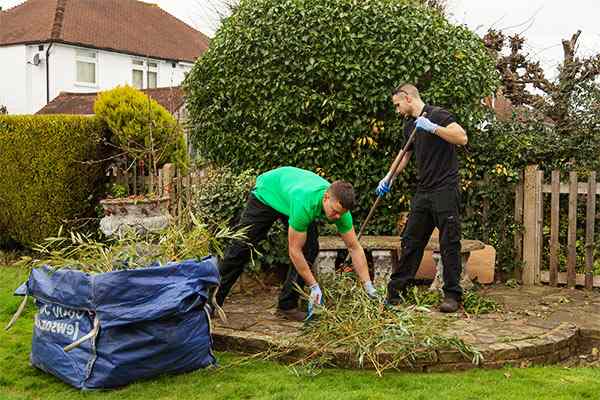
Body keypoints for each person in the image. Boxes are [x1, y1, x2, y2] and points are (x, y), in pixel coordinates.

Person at [216, 166, 377, 321]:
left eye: (340, 214)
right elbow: (294, 250)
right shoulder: (305, 203)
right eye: (334, 211)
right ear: (326, 197)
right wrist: (314, 285)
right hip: (269, 192)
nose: (336, 217)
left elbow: (354, 247)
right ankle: (211, 300)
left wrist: (368, 285)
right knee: (241, 247)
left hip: (291, 194)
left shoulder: (341, 212)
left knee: (310, 249)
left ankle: (287, 305)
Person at [376, 83, 468, 313]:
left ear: (407, 98)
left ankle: (452, 296)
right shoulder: (409, 126)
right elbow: (403, 157)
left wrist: (432, 127)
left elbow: (461, 137)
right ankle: (396, 293)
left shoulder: (438, 115)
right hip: (424, 191)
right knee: (410, 241)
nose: (397, 110)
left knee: (449, 242)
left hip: (445, 189)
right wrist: (388, 178)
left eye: (397, 104)